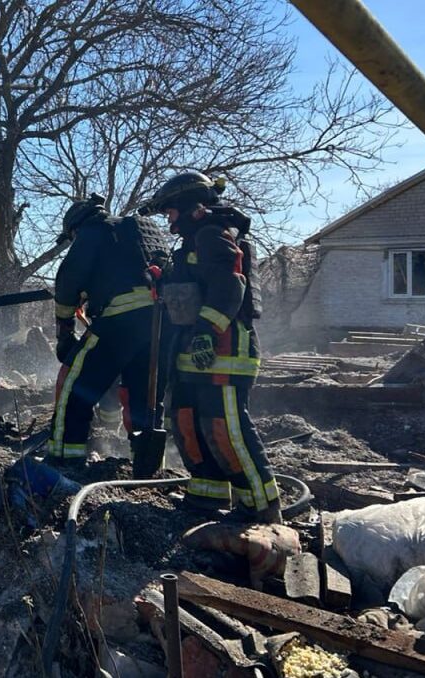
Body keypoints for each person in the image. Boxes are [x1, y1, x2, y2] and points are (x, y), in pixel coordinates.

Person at [143, 170, 282, 524]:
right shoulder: (192, 243)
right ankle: (207, 494)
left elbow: (229, 285)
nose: (169, 219)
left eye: (170, 211)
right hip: (193, 348)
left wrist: (207, 331)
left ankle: (261, 505)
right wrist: (163, 278)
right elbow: (192, 289)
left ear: (188, 206)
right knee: (187, 420)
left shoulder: (212, 233)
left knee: (224, 426)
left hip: (224, 347)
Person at [48, 194, 171, 465]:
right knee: (146, 400)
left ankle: (65, 457)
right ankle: (147, 466)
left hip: (118, 322)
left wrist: (65, 332)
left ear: (76, 226)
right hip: (160, 325)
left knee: (74, 387)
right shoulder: (141, 230)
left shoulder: (91, 231)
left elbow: (68, 282)